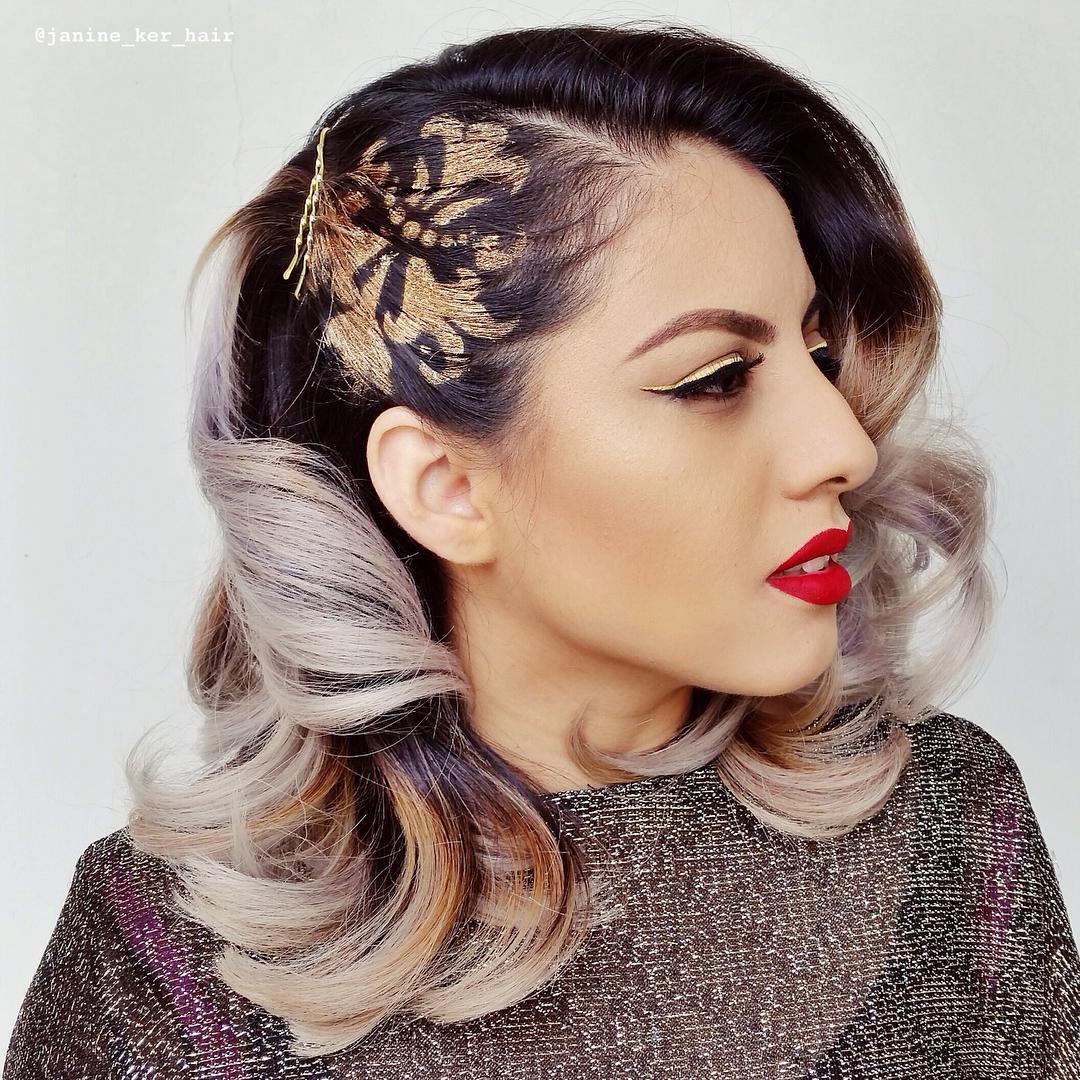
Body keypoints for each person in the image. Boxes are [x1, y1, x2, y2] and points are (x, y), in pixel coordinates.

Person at [6, 22, 1078, 1078]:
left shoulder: (948, 825)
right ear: (446, 486)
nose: (846, 445)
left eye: (820, 354)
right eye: (714, 379)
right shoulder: (171, 960)